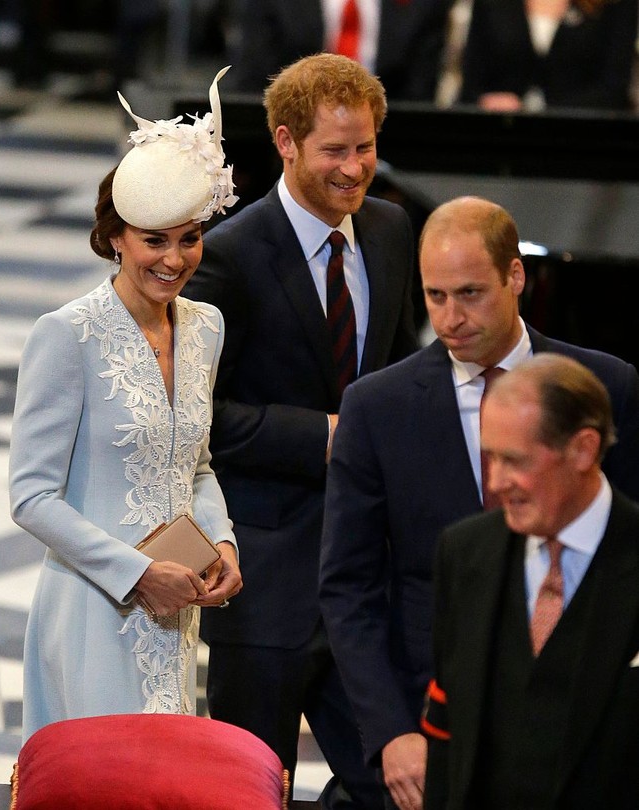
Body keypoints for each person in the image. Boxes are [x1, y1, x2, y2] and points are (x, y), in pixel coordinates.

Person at [319, 196, 639, 810]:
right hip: (431, 724)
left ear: (515, 276)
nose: (450, 318)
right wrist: (391, 732)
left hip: (585, 727)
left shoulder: (607, 386)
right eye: (435, 296)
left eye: (469, 294)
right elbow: (347, 587)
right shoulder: (376, 408)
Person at [182, 52, 418, 807]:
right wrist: (325, 435)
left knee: (398, 786)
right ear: (285, 142)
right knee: (251, 792)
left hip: (367, 584)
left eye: (366, 147)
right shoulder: (227, 255)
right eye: (335, 150)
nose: (355, 168)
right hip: (267, 585)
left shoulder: (390, 229)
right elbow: (199, 419)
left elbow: (400, 367)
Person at [9, 68, 242, 743]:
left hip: (175, 618)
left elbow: (197, 466)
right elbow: (30, 496)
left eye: (189, 238)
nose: (174, 259)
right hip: (92, 612)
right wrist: (138, 575)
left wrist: (223, 541)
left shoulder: (206, 327)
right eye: (154, 240)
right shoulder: (67, 334)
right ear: (117, 237)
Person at [423, 353, 639, 808]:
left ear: (583, 449)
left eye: (515, 460)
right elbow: (446, 733)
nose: (496, 482)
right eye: (490, 458)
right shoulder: (464, 552)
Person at [226, 0, 451, 101]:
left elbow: (419, 94)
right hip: (291, 140)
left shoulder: (424, 6)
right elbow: (252, 82)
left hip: (387, 142)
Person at [459, 0, 638, 111]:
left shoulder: (615, 4)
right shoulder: (492, 3)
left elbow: (614, 89)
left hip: (584, 140)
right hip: (501, 137)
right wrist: (487, 101)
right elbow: (470, 87)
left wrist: (542, 112)